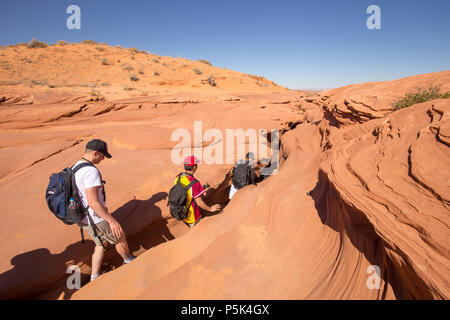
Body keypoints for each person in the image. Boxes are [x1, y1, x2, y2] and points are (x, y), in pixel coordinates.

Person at [73, 139, 135, 282]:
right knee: (119, 237)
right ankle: (129, 261)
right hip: (96, 217)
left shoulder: (76, 167)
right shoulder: (90, 172)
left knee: (100, 244)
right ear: (95, 153)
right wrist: (111, 221)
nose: (103, 158)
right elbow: (93, 202)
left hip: (83, 218)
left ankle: (94, 276)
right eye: (103, 155)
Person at [174, 155, 221, 228]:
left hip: (180, 211)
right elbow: (199, 202)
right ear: (194, 167)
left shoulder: (178, 177)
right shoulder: (195, 183)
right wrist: (210, 209)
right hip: (192, 216)